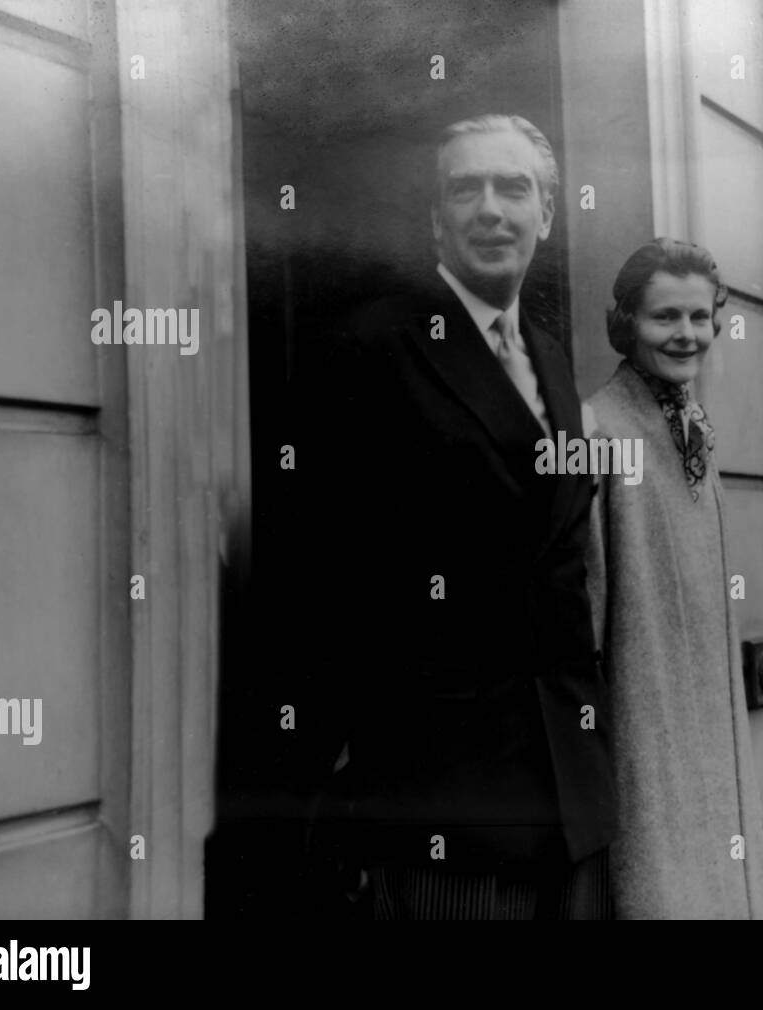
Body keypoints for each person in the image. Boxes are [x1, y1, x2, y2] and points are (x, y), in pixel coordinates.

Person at [301, 114, 615, 918]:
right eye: (464, 190)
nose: (490, 209)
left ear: (546, 215)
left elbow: (565, 566)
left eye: (514, 189)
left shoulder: (551, 358)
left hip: (565, 793)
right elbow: (325, 578)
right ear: (436, 220)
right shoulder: (370, 348)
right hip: (440, 796)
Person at [584, 238, 763, 919]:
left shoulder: (693, 425)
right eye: (665, 317)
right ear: (626, 324)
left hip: (713, 744)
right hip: (647, 736)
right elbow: (586, 614)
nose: (687, 334)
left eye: (700, 318)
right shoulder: (597, 431)